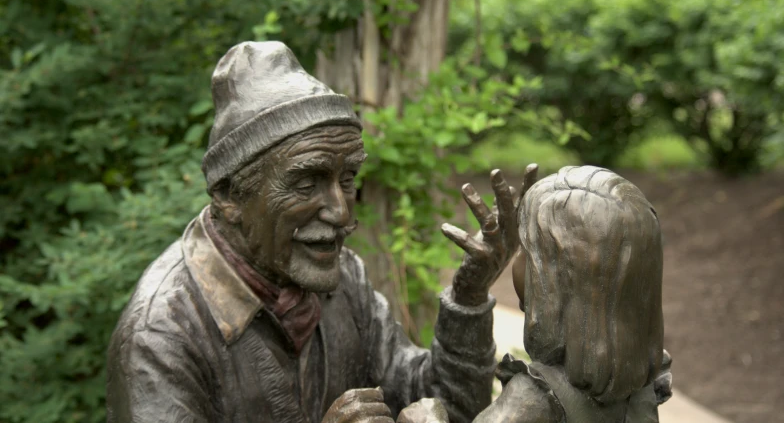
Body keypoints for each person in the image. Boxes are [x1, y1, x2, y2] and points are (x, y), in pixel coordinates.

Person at [106, 41, 531, 423]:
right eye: (307, 182)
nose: (342, 212)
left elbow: (446, 409)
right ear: (229, 196)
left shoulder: (343, 278)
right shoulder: (161, 336)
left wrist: (468, 298)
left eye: (347, 179)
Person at [474, 166, 672, 423]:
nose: (517, 260)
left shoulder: (533, 402)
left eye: (524, 249)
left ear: (558, 280)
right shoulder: (643, 386)